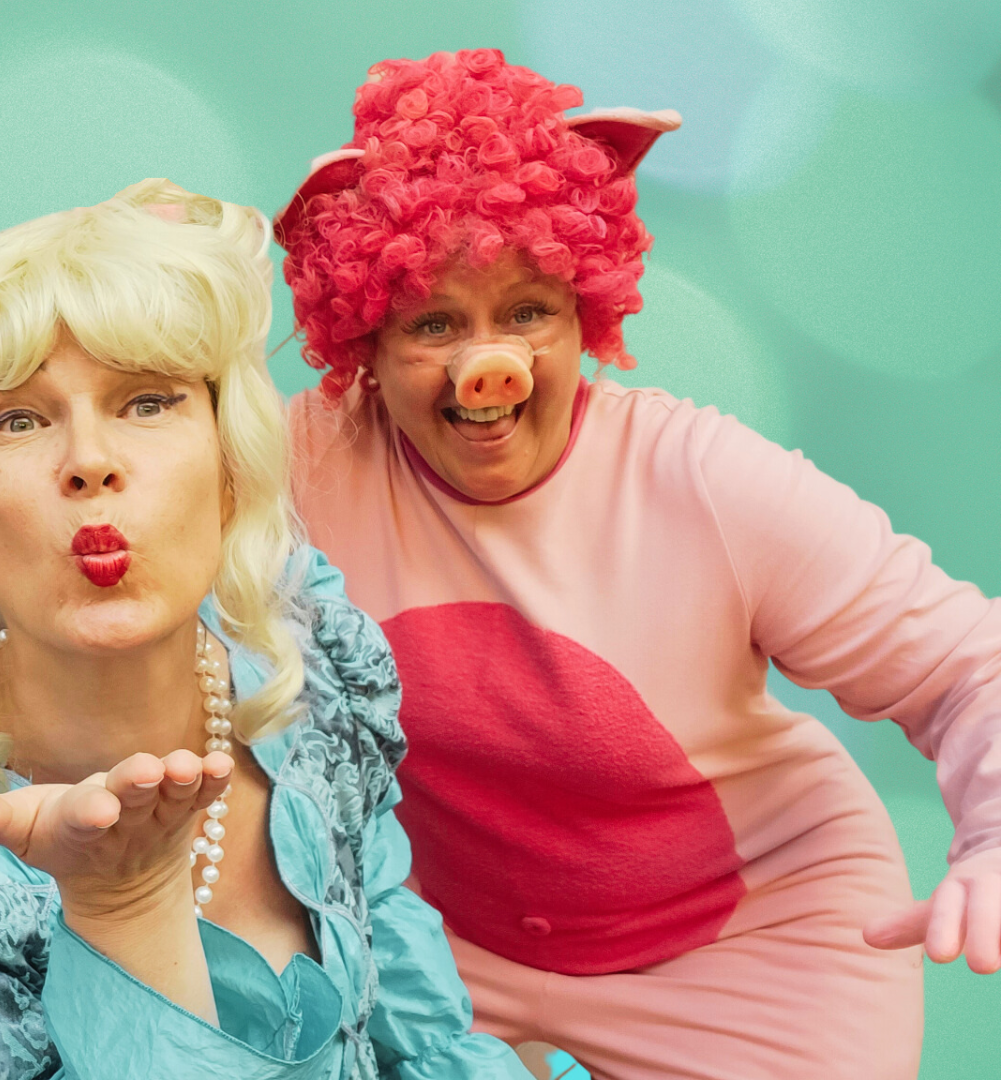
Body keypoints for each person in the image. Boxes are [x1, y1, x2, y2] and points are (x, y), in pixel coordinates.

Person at [274, 48, 1001, 1079]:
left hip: (753, 956)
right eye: (434, 323)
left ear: (587, 309)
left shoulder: (702, 479)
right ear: (366, 343)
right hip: (450, 957)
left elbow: (970, 666)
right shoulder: (303, 463)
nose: (490, 364)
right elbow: (133, 474)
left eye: (528, 312)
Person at [0, 180, 531, 1079]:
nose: (90, 462)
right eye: (18, 419)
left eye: (147, 402)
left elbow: (416, 1031)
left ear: (230, 467)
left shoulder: (308, 672)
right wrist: (123, 912)